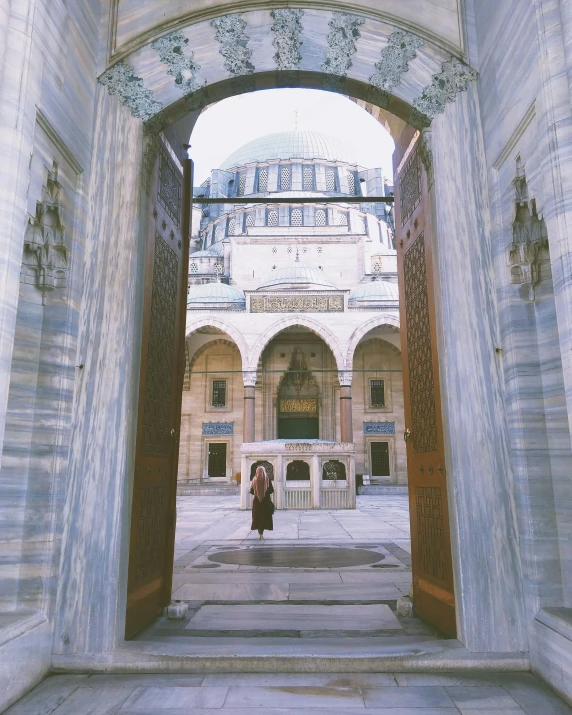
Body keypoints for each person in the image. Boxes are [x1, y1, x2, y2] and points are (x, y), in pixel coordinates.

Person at [250, 465, 274, 540]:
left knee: (257, 517)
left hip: (257, 501)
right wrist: (265, 492)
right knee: (264, 517)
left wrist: (257, 492)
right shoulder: (267, 479)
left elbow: (251, 491)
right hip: (265, 501)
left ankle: (259, 533)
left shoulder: (254, 479)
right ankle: (261, 533)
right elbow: (271, 490)